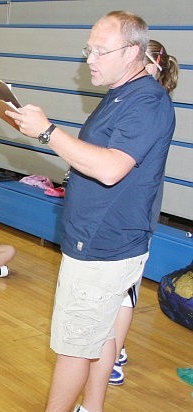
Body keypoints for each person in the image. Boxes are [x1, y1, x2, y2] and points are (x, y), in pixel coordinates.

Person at [0, 11, 175, 412]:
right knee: (104, 331)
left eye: (99, 50)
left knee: (76, 340)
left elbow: (111, 169)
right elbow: (93, 155)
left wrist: (50, 131)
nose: (89, 59)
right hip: (104, 238)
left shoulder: (147, 102)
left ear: (133, 52)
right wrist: (37, 129)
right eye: (87, 49)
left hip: (103, 243)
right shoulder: (120, 94)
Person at [110, 39, 179, 387]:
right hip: (122, 209)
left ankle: (115, 355)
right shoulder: (135, 100)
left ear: (149, 64)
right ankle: (111, 348)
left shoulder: (153, 104)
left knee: (125, 291)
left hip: (135, 215)